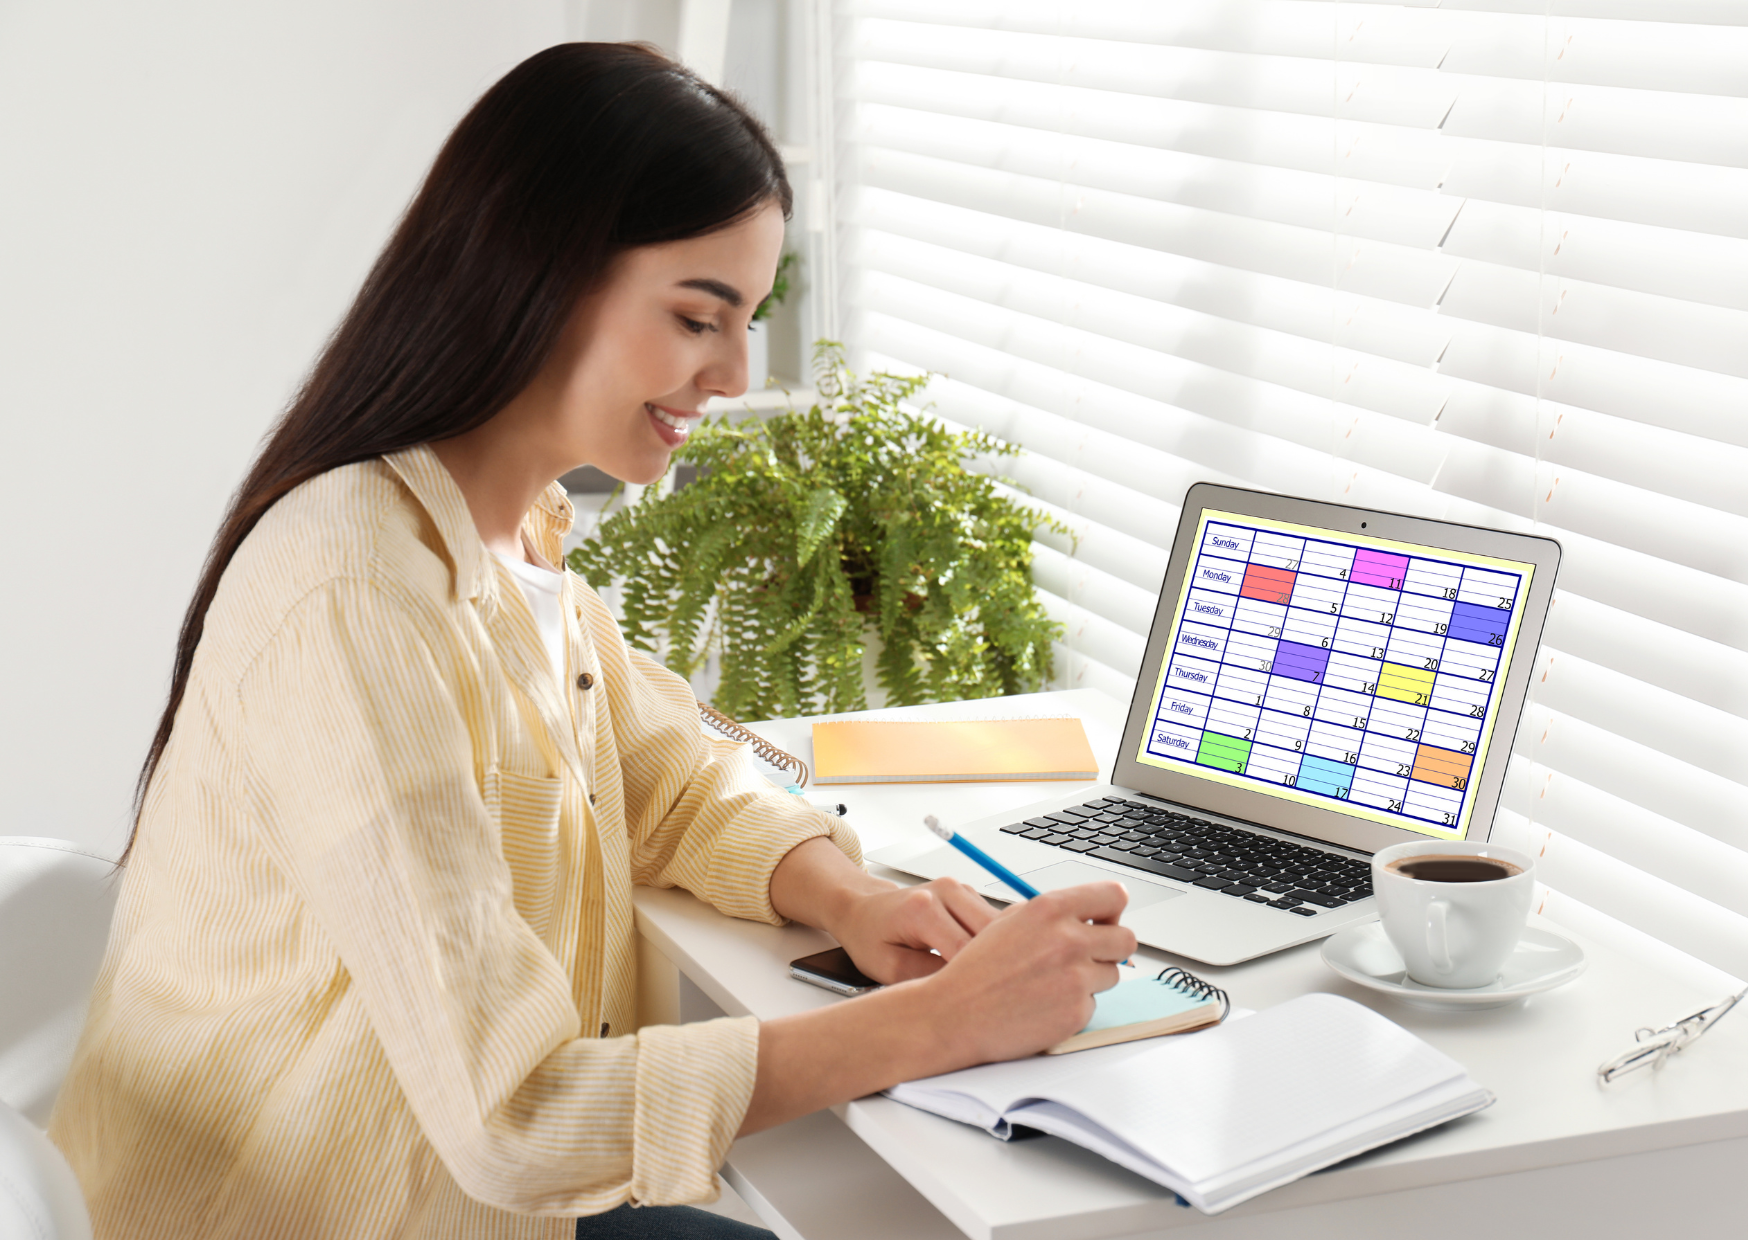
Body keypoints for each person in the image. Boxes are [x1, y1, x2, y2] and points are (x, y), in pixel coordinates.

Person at [49, 43, 1135, 1240]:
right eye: (695, 317)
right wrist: (940, 1023)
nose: (731, 374)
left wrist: (851, 895)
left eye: (749, 321)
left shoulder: (514, 525)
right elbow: (517, 1119)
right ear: (539, 274)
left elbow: (659, 778)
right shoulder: (352, 589)